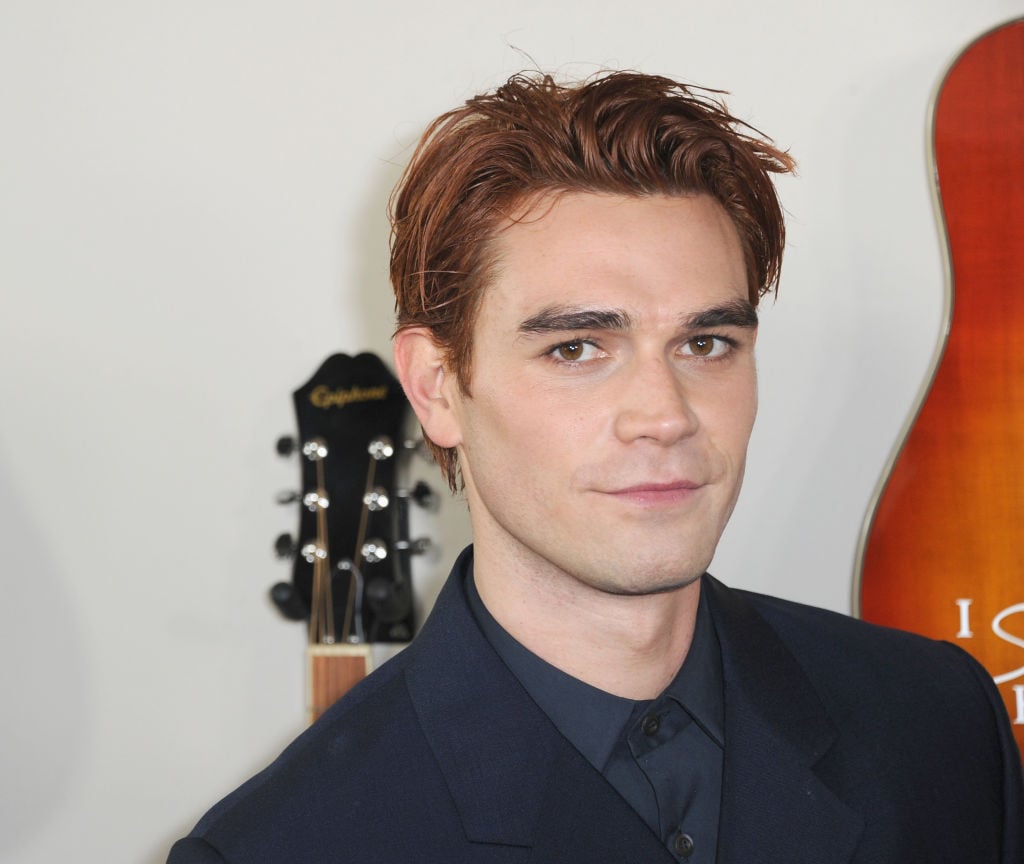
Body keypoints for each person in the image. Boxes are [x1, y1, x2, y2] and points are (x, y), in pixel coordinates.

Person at [168, 71, 1023, 864]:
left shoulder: (941, 724)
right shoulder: (284, 846)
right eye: (576, 348)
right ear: (437, 386)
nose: (665, 415)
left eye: (706, 342)